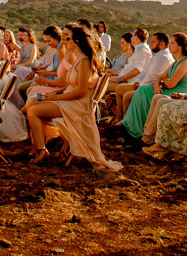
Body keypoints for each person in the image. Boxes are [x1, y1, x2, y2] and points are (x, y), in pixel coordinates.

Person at [30, 27, 122, 170]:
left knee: (33, 111)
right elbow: (73, 85)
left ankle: (41, 150)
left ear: (77, 42)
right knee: (33, 102)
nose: (66, 41)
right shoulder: (78, 59)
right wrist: (55, 95)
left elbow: (81, 92)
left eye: (69, 39)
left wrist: (57, 97)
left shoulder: (84, 62)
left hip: (77, 105)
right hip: (69, 100)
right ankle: (40, 146)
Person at [122, 32, 187, 140]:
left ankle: (136, 130)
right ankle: (134, 127)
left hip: (176, 95)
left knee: (143, 91)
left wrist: (162, 82)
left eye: (172, 43)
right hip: (166, 91)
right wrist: (157, 84)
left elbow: (170, 84)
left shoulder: (185, 63)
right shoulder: (176, 63)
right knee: (143, 90)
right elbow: (160, 77)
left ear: (180, 46)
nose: (169, 45)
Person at [111, 31, 169, 123]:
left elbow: (149, 75)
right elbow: (145, 71)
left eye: (153, 42)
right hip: (141, 83)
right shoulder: (155, 55)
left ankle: (125, 122)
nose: (151, 44)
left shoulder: (160, 56)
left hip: (148, 87)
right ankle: (120, 120)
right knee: (119, 89)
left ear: (162, 44)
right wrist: (138, 82)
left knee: (125, 94)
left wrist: (123, 79)